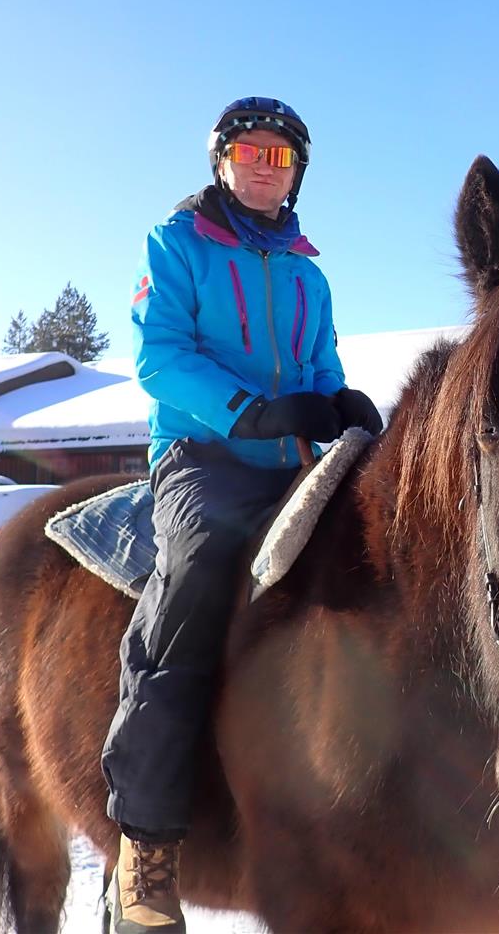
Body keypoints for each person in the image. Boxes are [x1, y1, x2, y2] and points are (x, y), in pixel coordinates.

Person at [102, 97, 383, 933]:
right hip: (202, 455)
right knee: (196, 573)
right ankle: (145, 842)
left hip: (292, 458)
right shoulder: (177, 243)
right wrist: (247, 413)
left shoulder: (308, 273)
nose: (265, 166)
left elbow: (319, 364)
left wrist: (340, 402)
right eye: (250, 152)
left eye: (280, 156)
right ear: (222, 162)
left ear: (297, 174)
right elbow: (160, 357)